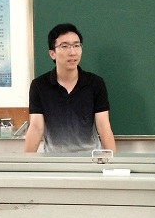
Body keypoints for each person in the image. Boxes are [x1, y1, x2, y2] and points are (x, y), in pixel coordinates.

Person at [24, 23, 116, 153]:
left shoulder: (95, 83)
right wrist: (26, 161)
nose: (73, 52)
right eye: (65, 46)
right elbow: (36, 127)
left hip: (90, 158)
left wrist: (113, 161)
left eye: (76, 45)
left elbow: (103, 126)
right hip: (54, 159)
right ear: (52, 54)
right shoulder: (39, 85)